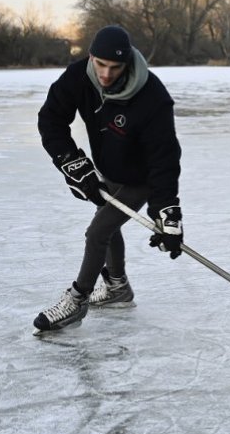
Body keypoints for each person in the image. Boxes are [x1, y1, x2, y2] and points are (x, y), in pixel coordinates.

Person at [34, 25, 183, 332]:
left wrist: (166, 211)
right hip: (108, 171)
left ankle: (77, 300)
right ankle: (118, 288)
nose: (105, 74)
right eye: (100, 64)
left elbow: (164, 158)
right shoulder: (79, 76)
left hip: (140, 178)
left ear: (127, 64)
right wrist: (73, 163)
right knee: (107, 222)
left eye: (114, 68)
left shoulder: (152, 97)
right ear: (91, 57)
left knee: (97, 232)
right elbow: (51, 118)